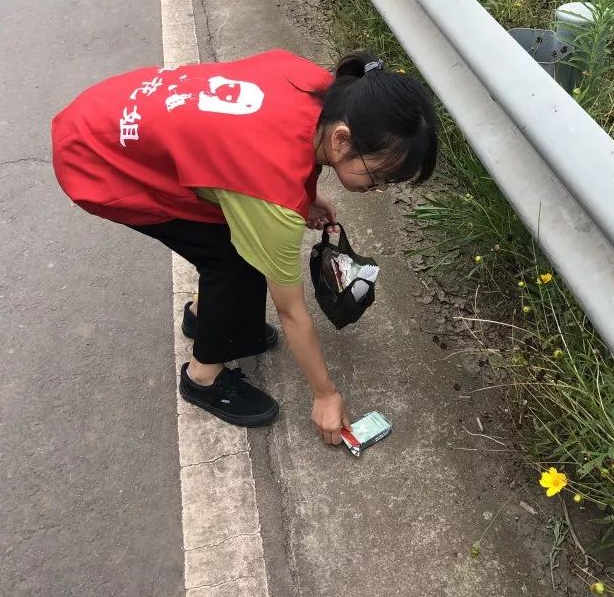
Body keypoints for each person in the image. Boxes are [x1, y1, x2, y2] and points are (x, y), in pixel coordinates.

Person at [51, 49, 438, 445]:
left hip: (110, 107)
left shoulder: (315, 85)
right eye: (381, 175)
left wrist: (304, 198)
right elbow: (291, 312)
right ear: (342, 140)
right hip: (97, 159)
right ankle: (203, 377)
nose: (380, 188)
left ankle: (205, 319)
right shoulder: (273, 195)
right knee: (233, 259)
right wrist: (326, 394)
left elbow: (275, 149)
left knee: (243, 237)